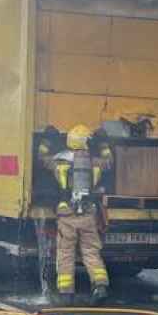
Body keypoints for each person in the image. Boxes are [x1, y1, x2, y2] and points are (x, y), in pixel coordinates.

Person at [39, 124, 110, 304]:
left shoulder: (58, 161)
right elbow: (109, 161)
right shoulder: (95, 162)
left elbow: (41, 158)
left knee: (65, 252)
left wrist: (47, 141)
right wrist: (103, 144)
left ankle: (66, 293)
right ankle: (100, 286)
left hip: (67, 214)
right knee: (91, 251)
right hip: (87, 214)